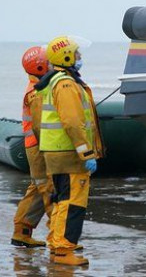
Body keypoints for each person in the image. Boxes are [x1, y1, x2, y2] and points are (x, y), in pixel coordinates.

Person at [35, 36, 104, 266]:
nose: (79, 58)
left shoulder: (56, 81)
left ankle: (57, 246)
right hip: (69, 155)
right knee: (73, 202)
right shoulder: (65, 84)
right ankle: (64, 251)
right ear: (65, 56)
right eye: (76, 54)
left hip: (58, 154)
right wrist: (86, 153)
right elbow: (73, 123)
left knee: (62, 200)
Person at [11, 46, 51, 248]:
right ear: (41, 66)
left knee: (37, 187)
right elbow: (40, 125)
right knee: (47, 187)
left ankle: (22, 231)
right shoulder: (36, 93)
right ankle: (60, 237)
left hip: (36, 145)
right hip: (38, 147)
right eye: (49, 62)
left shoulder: (39, 86)